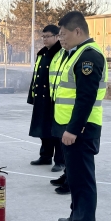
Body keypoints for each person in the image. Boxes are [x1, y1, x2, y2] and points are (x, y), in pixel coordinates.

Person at [51, 11, 108, 221]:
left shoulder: (88, 57)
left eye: (63, 34)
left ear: (78, 31)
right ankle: (76, 217)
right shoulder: (76, 54)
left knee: (83, 180)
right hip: (73, 127)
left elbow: (86, 98)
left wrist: (73, 129)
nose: (61, 38)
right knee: (74, 177)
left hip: (82, 129)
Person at [28, 25, 66, 174]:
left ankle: (60, 161)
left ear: (57, 36)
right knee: (43, 129)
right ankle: (45, 156)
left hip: (54, 98)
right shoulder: (42, 53)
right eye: (43, 37)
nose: (44, 39)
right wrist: (32, 95)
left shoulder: (61, 54)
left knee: (56, 132)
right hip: (41, 97)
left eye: (47, 36)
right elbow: (36, 76)